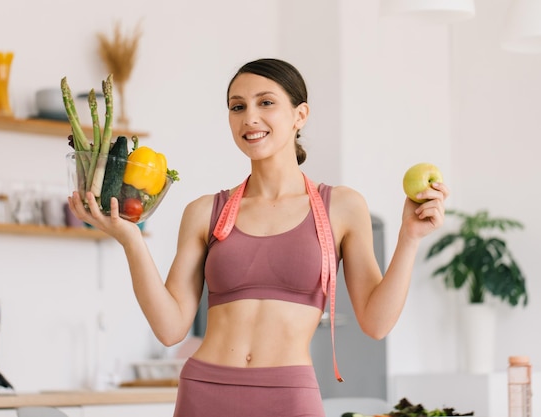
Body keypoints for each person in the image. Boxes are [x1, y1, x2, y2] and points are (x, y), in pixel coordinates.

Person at [68, 58, 449, 417]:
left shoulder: (343, 207)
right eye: (237, 107)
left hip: (288, 395)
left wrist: (409, 237)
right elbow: (170, 329)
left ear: (300, 115)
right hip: (205, 391)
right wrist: (131, 239)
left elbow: (376, 323)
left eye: (265, 102)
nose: (250, 117)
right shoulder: (205, 212)